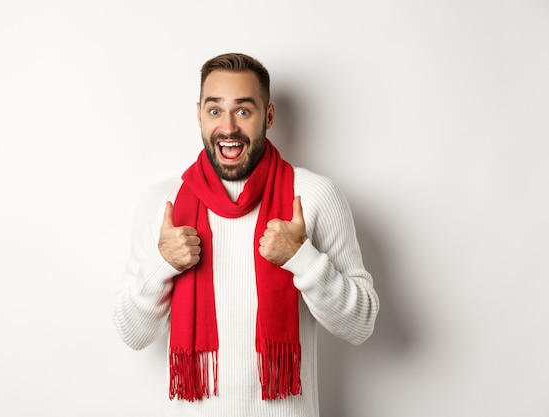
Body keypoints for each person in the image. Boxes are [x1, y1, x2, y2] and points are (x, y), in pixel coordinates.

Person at [112, 52, 379, 417]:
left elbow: (361, 325)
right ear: (199, 115)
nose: (228, 127)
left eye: (243, 110)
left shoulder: (315, 195)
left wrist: (302, 258)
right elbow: (133, 334)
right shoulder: (164, 203)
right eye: (215, 110)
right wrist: (161, 265)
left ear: (268, 116)